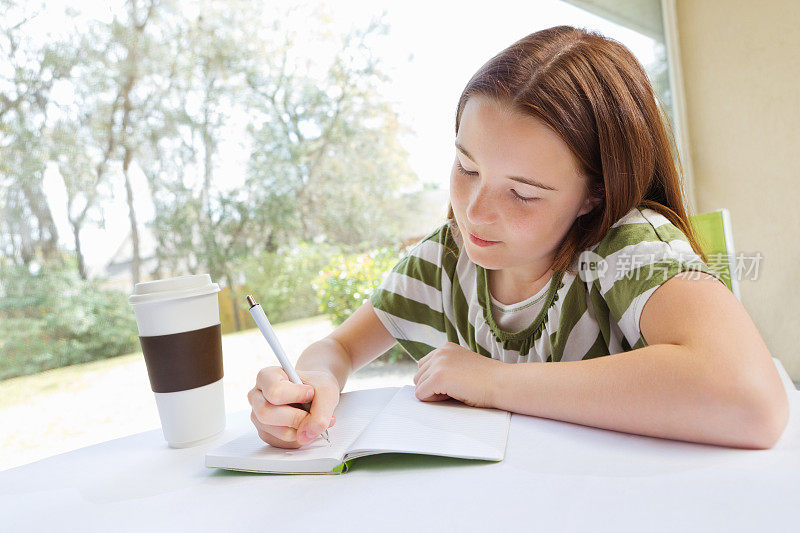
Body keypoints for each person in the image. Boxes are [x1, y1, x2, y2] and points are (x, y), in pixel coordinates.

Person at [247, 25, 789, 451]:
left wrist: (493, 382)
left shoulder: (628, 247)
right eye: (466, 167)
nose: (476, 213)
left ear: (594, 195)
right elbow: (340, 347)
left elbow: (750, 399)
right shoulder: (443, 260)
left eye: (523, 194)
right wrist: (311, 384)